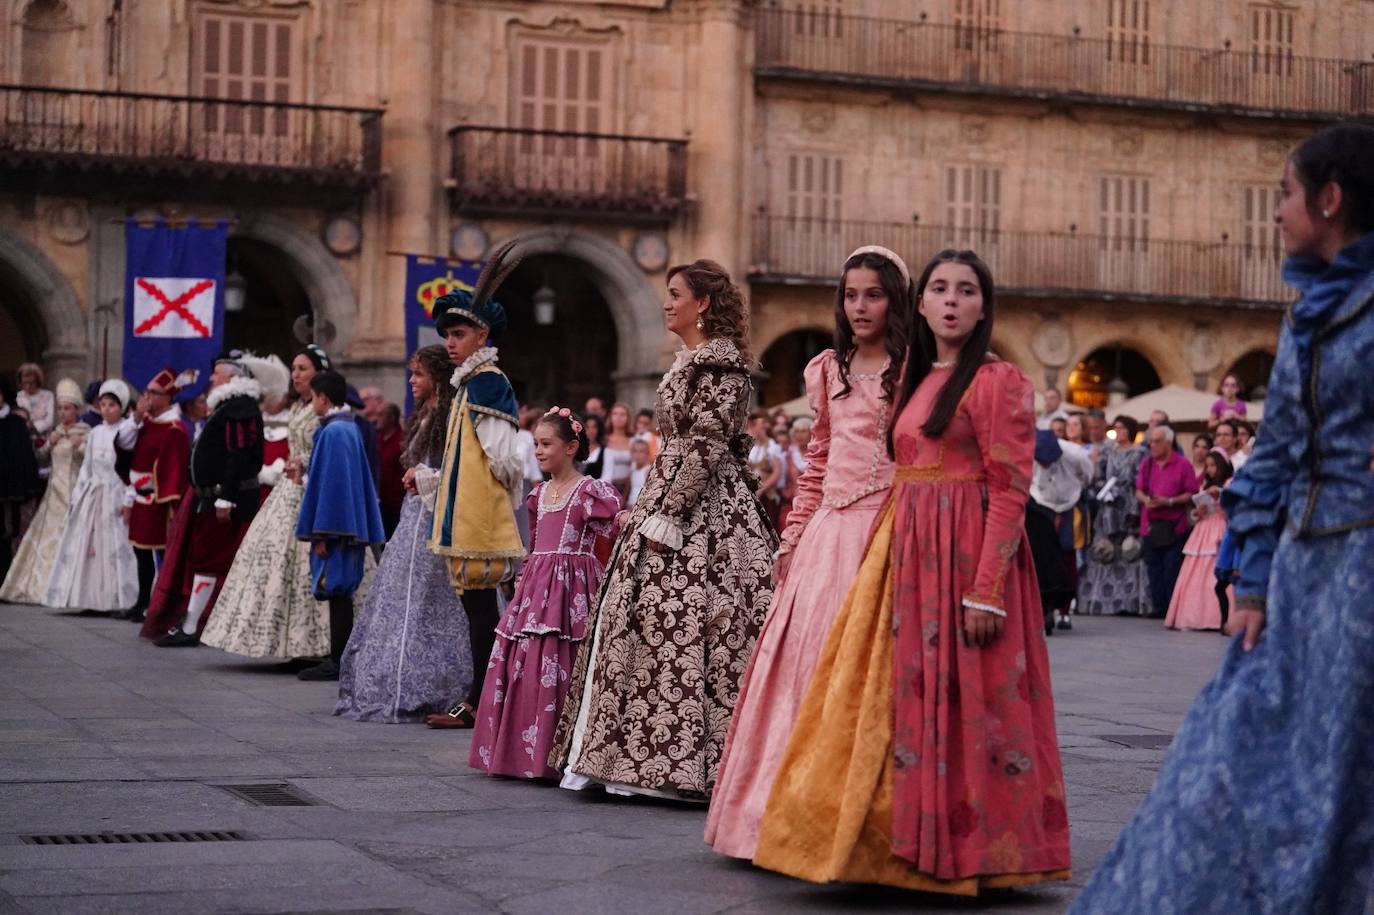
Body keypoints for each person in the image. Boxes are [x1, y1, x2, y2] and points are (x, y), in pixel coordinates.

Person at [1070, 121, 1374, 915]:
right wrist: (1253, 581)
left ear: (1330, 199)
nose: (1276, 213)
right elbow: (1274, 455)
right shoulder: (1309, 310)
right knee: (1233, 756)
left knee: (1348, 769)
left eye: (1285, 195)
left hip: (1365, 577)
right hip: (1303, 579)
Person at [752, 249, 1070, 892]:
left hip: (967, 552)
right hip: (906, 548)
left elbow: (1010, 490)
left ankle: (973, 852)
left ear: (984, 307)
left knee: (973, 708)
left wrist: (987, 591)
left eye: (968, 291)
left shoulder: (998, 380)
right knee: (903, 707)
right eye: (941, 290)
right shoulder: (916, 379)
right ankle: (903, 847)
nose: (952, 301)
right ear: (920, 305)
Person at [706, 244, 905, 860]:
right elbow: (816, 462)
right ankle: (784, 811)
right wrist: (792, 539)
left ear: (895, 299)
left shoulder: (914, 368)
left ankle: (868, 823)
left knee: (875, 677)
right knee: (805, 670)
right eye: (850, 295)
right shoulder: (826, 369)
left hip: (892, 532)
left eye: (873, 294)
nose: (860, 306)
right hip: (827, 537)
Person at [551, 259, 776, 801]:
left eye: (676, 294)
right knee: (646, 621)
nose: (666, 303)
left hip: (703, 513)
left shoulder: (722, 368)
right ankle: (626, 754)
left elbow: (704, 445)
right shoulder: (691, 363)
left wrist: (668, 512)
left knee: (692, 624)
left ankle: (674, 765)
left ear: (703, 304)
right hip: (670, 496)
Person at [470, 408, 622, 779]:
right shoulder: (539, 494)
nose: (537, 450)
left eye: (546, 444)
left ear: (571, 447)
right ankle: (518, 754)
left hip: (573, 587)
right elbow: (536, 542)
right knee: (525, 660)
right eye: (536, 443)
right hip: (538, 585)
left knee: (562, 659)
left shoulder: (591, 492)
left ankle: (558, 753)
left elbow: (614, 529)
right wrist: (524, 577)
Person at [336, 345, 474, 721]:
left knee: (434, 600)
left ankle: (440, 685)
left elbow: (460, 471)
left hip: (435, 519)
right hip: (414, 517)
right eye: (411, 373)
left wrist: (424, 476)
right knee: (400, 598)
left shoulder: (448, 417)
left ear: (437, 379)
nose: (412, 381)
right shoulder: (424, 416)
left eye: (419, 374)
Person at [423, 260, 525, 729]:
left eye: (459, 333)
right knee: (479, 609)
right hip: (467, 508)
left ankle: (481, 699)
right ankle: (484, 695)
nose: (450, 341)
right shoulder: (470, 381)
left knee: (483, 609)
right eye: (448, 334)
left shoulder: (487, 380)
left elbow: (503, 456)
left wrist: (498, 502)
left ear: (481, 337)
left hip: (480, 514)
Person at [200, 345, 338, 662]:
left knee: (306, 567)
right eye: (294, 368)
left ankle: (317, 645)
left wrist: (302, 462)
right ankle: (290, 643)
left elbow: (329, 448)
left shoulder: (326, 408)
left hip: (311, 493)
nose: (296, 374)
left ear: (320, 373)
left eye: (303, 368)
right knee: (276, 565)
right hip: (289, 492)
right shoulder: (301, 407)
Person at [144, 352, 265, 647]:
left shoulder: (240, 408)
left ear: (233, 379)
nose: (211, 378)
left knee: (209, 561)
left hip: (224, 502)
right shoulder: (229, 406)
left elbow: (239, 456)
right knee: (206, 560)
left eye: (217, 374)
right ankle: (194, 623)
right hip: (212, 499)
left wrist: (226, 498)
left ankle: (191, 626)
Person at [290, 370, 387, 681]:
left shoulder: (335, 432)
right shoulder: (346, 428)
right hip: (347, 526)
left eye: (314, 399)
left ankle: (338, 658)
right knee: (338, 592)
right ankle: (338, 656)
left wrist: (325, 532)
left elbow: (334, 487)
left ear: (323, 398)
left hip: (338, 529)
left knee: (338, 590)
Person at [44, 380, 139, 613]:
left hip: (116, 492)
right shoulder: (95, 432)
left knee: (117, 546)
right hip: (94, 493)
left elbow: (131, 467)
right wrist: (78, 495)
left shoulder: (127, 431)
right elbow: (87, 466)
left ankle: (120, 600)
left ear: (123, 407)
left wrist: (129, 496)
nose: (107, 409)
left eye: (112, 405)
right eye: (103, 404)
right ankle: (91, 599)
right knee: (90, 547)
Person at [0, 378, 82, 603]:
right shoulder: (56, 433)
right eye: (61, 408)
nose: (63, 413)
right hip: (54, 493)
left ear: (77, 410)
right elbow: (40, 457)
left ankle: (69, 587)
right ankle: (40, 585)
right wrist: (49, 443)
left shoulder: (85, 432)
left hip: (75, 491)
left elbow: (93, 461)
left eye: (67, 408)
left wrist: (81, 446)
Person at [125, 369, 193, 618]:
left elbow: (174, 469)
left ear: (167, 397)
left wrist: (168, 501)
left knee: (163, 556)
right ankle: (142, 601)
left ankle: (162, 605)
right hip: (140, 497)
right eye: (147, 392)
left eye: (153, 393)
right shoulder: (146, 423)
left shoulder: (175, 429)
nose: (147, 397)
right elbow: (126, 448)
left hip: (160, 502)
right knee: (140, 552)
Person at [1077, 415, 1152, 616]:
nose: (1118, 431)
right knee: (1105, 550)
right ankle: (1102, 600)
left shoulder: (1140, 452)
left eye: (1122, 428)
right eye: (1116, 428)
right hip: (1108, 506)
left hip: (1129, 506)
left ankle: (1132, 601)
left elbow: (1143, 479)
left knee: (1130, 550)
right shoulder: (1107, 451)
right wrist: (1104, 489)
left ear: (1130, 430)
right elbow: (1098, 475)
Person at [1029, 427, 1093, 632]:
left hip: (1069, 505)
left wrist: (1073, 491)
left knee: (1068, 555)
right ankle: (1043, 607)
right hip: (1041, 504)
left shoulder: (1074, 454)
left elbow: (1088, 474)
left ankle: (1064, 610)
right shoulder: (1029, 453)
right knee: (1043, 559)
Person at [1164, 450, 1233, 632]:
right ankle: (1193, 615)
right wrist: (1198, 512)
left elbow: (1233, 510)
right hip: (1203, 530)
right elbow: (1196, 514)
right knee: (1195, 571)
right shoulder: (1204, 485)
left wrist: (1220, 499)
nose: (1210, 469)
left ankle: (1219, 616)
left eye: (1213, 465)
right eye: (1208, 465)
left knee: (1216, 570)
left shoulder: (1230, 484)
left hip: (1220, 528)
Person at [1136, 425, 1199, 618]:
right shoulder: (1147, 464)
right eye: (1151, 441)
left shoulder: (1183, 464)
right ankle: (1159, 606)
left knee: (1171, 567)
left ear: (1168, 443)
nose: (1152, 445)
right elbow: (1138, 490)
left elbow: (1192, 493)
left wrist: (1170, 501)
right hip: (1151, 524)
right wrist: (1147, 500)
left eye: (1156, 441)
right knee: (1153, 567)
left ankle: (1172, 607)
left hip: (1174, 524)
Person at [253, 355, 293, 505]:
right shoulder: (254, 418)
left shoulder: (292, 419)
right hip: (255, 487)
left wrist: (279, 470)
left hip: (282, 489)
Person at [747, 409, 785, 529]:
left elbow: (777, 472)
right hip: (751, 492)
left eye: (761, 425)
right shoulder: (751, 447)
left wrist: (762, 489)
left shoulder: (772, 446)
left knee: (768, 526)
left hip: (767, 494)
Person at [375, 401, 405, 538]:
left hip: (396, 505)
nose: (377, 419)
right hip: (380, 503)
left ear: (391, 418)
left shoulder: (402, 441)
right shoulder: (376, 438)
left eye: (380, 415)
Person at [16, 363, 54, 440]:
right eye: (25, 383)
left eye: (31, 383)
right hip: (22, 438)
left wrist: (33, 427)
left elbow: (50, 420)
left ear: (37, 381)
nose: (28, 386)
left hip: (43, 438)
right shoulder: (18, 397)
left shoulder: (48, 395)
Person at [580, 413, 605, 482]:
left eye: (594, 427)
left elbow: (607, 477)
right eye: (587, 427)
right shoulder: (576, 449)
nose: (591, 431)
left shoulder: (605, 451)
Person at [626, 437, 651, 506]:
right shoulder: (632, 469)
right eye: (635, 451)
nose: (637, 455)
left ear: (647, 453)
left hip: (639, 508)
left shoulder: (648, 470)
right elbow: (628, 491)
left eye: (641, 451)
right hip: (629, 505)